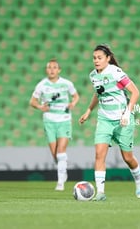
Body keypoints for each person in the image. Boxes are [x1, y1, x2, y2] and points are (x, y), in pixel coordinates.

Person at [79, 44, 140, 201]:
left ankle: (138, 179)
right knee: (99, 154)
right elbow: (98, 93)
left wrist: (127, 113)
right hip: (104, 119)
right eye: (94, 58)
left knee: (127, 158)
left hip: (123, 119)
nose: (96, 61)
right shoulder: (93, 76)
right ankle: (100, 192)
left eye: (99, 58)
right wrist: (89, 110)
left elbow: (135, 92)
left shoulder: (116, 73)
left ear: (108, 58)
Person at [30, 59, 80, 191]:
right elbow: (32, 101)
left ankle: (60, 182)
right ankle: (63, 170)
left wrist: (73, 104)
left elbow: (76, 96)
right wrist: (41, 107)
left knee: (61, 151)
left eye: (54, 67)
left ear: (59, 70)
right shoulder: (42, 85)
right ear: (46, 70)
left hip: (64, 119)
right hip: (49, 121)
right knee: (55, 154)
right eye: (49, 67)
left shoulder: (66, 84)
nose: (52, 70)